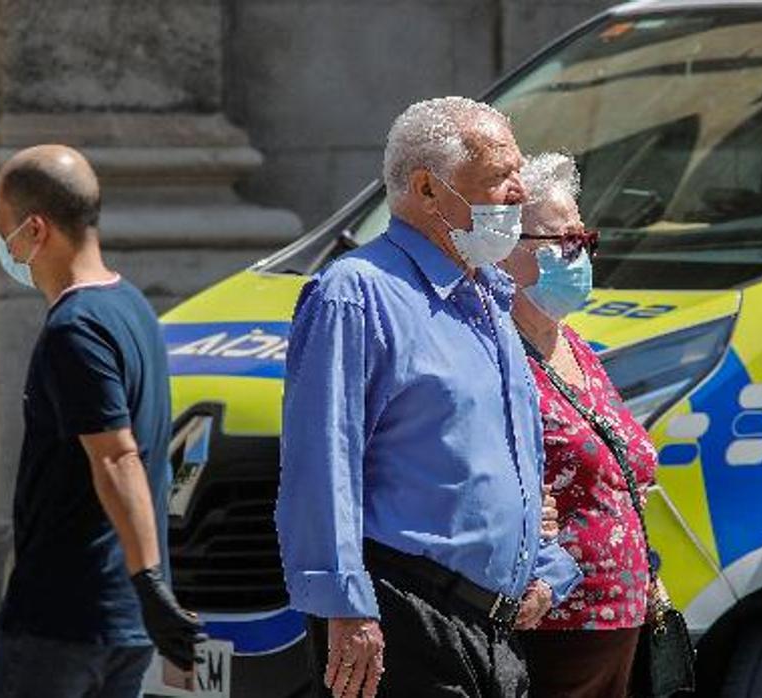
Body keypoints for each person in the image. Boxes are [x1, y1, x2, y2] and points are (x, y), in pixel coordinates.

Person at [276, 97, 583, 698]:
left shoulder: (488, 297)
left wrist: (545, 570)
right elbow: (323, 464)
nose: (519, 192)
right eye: (500, 176)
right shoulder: (357, 294)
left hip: (493, 629)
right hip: (405, 622)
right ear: (427, 189)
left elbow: (514, 457)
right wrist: (347, 609)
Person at [0, 145, 205, 697]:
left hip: (61, 622)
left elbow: (117, 456)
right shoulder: (133, 307)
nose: (0, 242)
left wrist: (151, 583)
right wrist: (149, 592)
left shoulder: (74, 329)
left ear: (34, 230)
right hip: (123, 624)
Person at [502, 153, 659, 698]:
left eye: (583, 239)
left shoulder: (575, 346)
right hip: (555, 622)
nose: (578, 255)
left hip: (622, 614)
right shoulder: (497, 356)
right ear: (504, 248)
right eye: (559, 241)